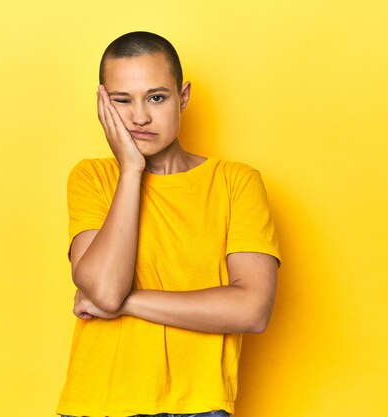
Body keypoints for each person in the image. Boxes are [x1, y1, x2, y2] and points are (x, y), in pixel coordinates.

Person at [56, 31, 281, 417]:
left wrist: (126, 303)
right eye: (121, 101)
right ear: (102, 104)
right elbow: (105, 290)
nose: (140, 116)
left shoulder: (235, 182)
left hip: (198, 406)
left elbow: (251, 309)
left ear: (184, 97)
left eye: (156, 97)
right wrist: (130, 170)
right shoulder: (92, 178)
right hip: (97, 404)